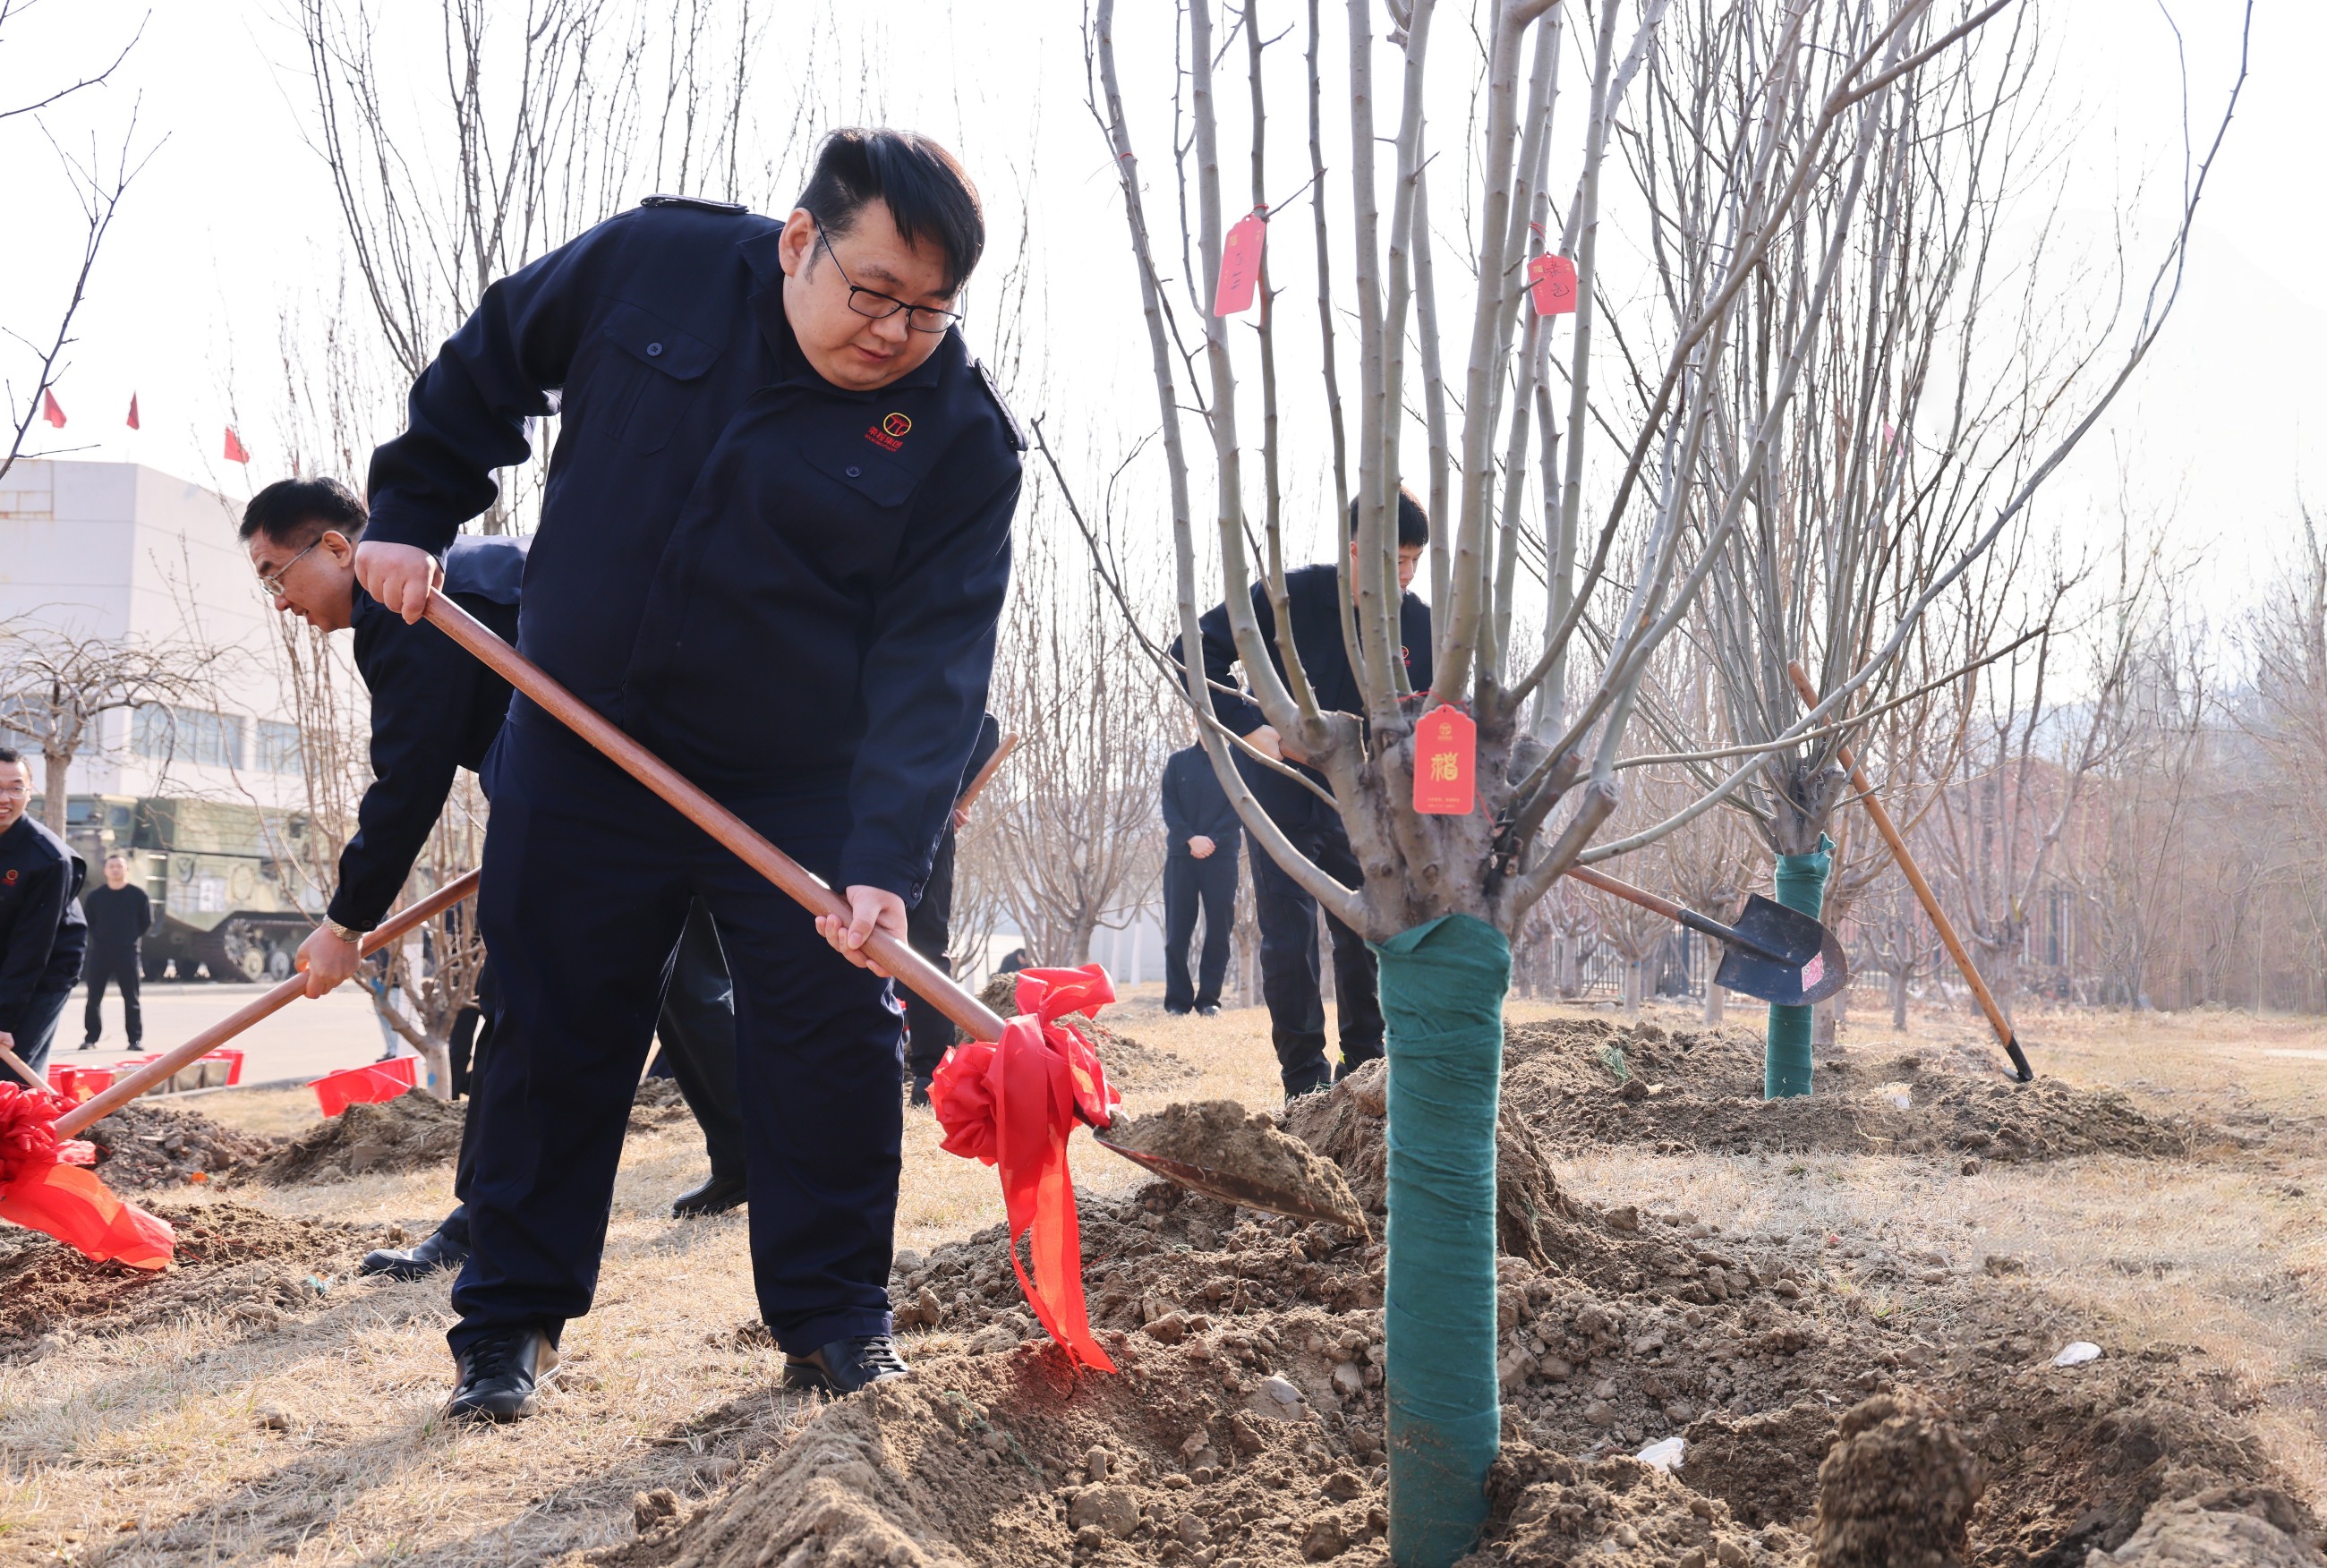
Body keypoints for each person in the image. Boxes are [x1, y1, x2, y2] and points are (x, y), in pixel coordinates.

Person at [356, 127, 1019, 1419]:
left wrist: (884, 861)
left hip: (796, 782)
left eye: (930, 310)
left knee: (831, 1039)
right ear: (798, 240)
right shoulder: (651, 265)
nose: (895, 331)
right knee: (552, 1025)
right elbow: (493, 357)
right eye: (874, 292)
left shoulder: (957, 434)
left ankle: (836, 1319)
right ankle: (508, 1322)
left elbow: (935, 666)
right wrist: (412, 511)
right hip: (583, 739)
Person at [1184, 489, 1433, 1098]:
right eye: (1397, 561)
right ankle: (1304, 1081)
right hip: (1281, 791)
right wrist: (1249, 725)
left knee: (1366, 932)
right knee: (1288, 936)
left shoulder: (1419, 624)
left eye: (1415, 562)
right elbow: (1194, 649)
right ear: (1357, 551)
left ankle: (1366, 1067)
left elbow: (1432, 722)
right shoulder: (1287, 598)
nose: (1406, 576)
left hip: (1367, 803)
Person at [899, 712, 999, 1107]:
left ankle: (932, 1074)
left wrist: (950, 796)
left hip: (926, 828)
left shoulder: (935, 692)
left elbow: (984, 727)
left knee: (925, 949)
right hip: (854, 818)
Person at [0, 747, 88, 1079]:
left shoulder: (49, 859)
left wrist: (4, 1020)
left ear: (30, 791)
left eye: (15, 788)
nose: (4, 799)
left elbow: (31, 948)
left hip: (42, 970)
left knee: (11, 1076)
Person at [1159, 729, 1242, 1016]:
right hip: (1181, 855)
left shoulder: (1235, 763)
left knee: (1219, 929)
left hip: (1223, 857)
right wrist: (1190, 838)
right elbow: (1169, 807)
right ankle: (1177, 1002)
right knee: (1177, 934)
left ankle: (1209, 1000)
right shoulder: (1178, 762)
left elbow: (1240, 807)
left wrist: (1212, 840)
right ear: (1194, 719)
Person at [78, 854, 154, 1051]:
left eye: (119, 866)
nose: (115, 869)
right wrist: (101, 938)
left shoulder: (138, 895)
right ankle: (90, 1038)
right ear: (105, 870)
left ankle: (134, 1040)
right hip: (100, 952)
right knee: (93, 998)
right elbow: (88, 922)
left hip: (128, 952)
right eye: (111, 866)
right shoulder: (95, 897)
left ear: (126, 869)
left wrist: (129, 939)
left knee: (132, 998)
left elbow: (146, 922)